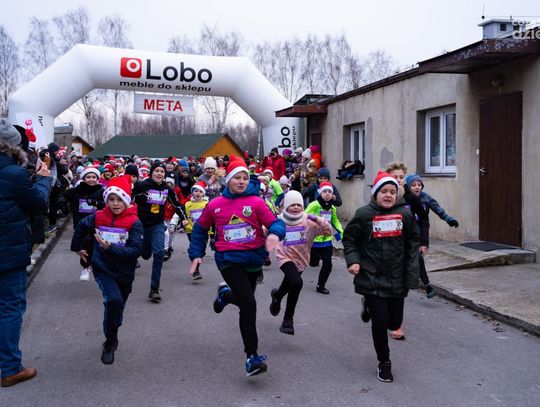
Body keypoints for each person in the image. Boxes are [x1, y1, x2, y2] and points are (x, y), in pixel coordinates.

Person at [188, 155, 285, 376]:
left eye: (245, 178)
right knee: (249, 305)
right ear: (228, 180)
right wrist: (196, 254)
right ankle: (252, 357)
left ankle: (225, 295)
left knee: (243, 301)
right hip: (228, 261)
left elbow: (276, 223)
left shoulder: (256, 202)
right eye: (237, 178)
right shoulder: (215, 205)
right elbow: (200, 229)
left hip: (253, 260)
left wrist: (274, 234)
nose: (241, 181)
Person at [343, 171, 420, 383]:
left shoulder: (405, 215)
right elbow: (350, 239)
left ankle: (367, 305)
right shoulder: (364, 214)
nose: (388, 195)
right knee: (380, 321)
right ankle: (384, 362)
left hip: (396, 278)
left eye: (392, 192)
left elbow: (413, 243)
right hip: (371, 277)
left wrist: (411, 275)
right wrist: (353, 261)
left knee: (394, 323)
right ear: (375, 193)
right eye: (384, 191)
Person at [0, 118, 51, 387]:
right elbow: (38, 203)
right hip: (7, 252)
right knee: (10, 307)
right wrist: (43, 180)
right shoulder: (13, 174)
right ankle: (9, 369)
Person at [71, 175, 143, 365]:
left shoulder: (134, 222)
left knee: (117, 308)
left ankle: (113, 328)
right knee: (113, 300)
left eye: (119, 199)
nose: (115, 204)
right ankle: (110, 342)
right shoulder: (99, 216)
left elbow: (135, 251)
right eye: (111, 199)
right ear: (106, 200)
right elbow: (81, 226)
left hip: (124, 272)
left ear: (127, 200)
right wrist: (77, 247)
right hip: (103, 268)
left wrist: (110, 247)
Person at [271, 190, 331, 335]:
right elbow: (264, 231)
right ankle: (288, 320)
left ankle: (277, 296)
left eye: (299, 205)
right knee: (296, 283)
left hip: (302, 258)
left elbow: (328, 231)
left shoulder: (308, 221)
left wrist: (319, 220)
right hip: (284, 256)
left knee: (289, 283)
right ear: (286, 206)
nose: (296, 207)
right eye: (292, 205)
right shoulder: (279, 221)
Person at [385, 162, 429, 340]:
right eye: (394, 177)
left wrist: (423, 242)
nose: (398, 180)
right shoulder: (381, 196)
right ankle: (371, 301)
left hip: (404, 248)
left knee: (399, 286)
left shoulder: (412, 199)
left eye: (401, 177)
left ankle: (396, 325)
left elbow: (424, 220)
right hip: (383, 248)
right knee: (382, 284)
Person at [132, 162, 186, 302]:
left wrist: (184, 219)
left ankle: (154, 289)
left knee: (158, 253)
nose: (159, 173)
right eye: (157, 171)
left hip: (157, 225)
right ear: (151, 172)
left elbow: (176, 205)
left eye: (162, 171)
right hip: (141, 225)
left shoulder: (167, 189)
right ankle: (142, 252)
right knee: (145, 255)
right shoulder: (142, 185)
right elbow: (128, 199)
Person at [405, 173, 459, 297]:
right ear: (408, 187)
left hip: (420, 233)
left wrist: (449, 219)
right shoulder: (404, 199)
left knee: (418, 257)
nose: (417, 187)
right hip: (406, 233)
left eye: (419, 185)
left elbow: (438, 210)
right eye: (413, 185)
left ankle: (427, 285)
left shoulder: (426, 198)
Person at [63, 166, 104, 281]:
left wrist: (97, 203)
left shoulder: (101, 191)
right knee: (85, 245)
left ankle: (98, 267)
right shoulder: (77, 190)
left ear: (97, 178)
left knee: (96, 246)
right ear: (84, 178)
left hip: (97, 223)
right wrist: (62, 205)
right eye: (88, 177)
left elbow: (106, 205)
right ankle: (85, 267)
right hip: (81, 223)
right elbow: (64, 196)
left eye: (94, 177)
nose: (91, 179)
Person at [305, 182, 343, 294]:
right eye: (325, 191)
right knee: (313, 263)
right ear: (320, 193)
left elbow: (335, 221)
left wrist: (340, 233)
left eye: (329, 192)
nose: (327, 194)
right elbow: (304, 216)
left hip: (327, 240)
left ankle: (320, 285)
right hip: (314, 240)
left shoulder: (332, 208)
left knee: (328, 264)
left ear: (332, 195)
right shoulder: (314, 205)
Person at [180, 181, 208, 280]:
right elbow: (181, 215)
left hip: (204, 230)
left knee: (202, 250)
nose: (198, 193)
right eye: (196, 191)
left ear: (203, 193)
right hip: (191, 230)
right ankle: (196, 270)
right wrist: (182, 221)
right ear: (192, 193)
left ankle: (198, 259)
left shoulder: (207, 204)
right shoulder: (187, 204)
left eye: (200, 191)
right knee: (195, 248)